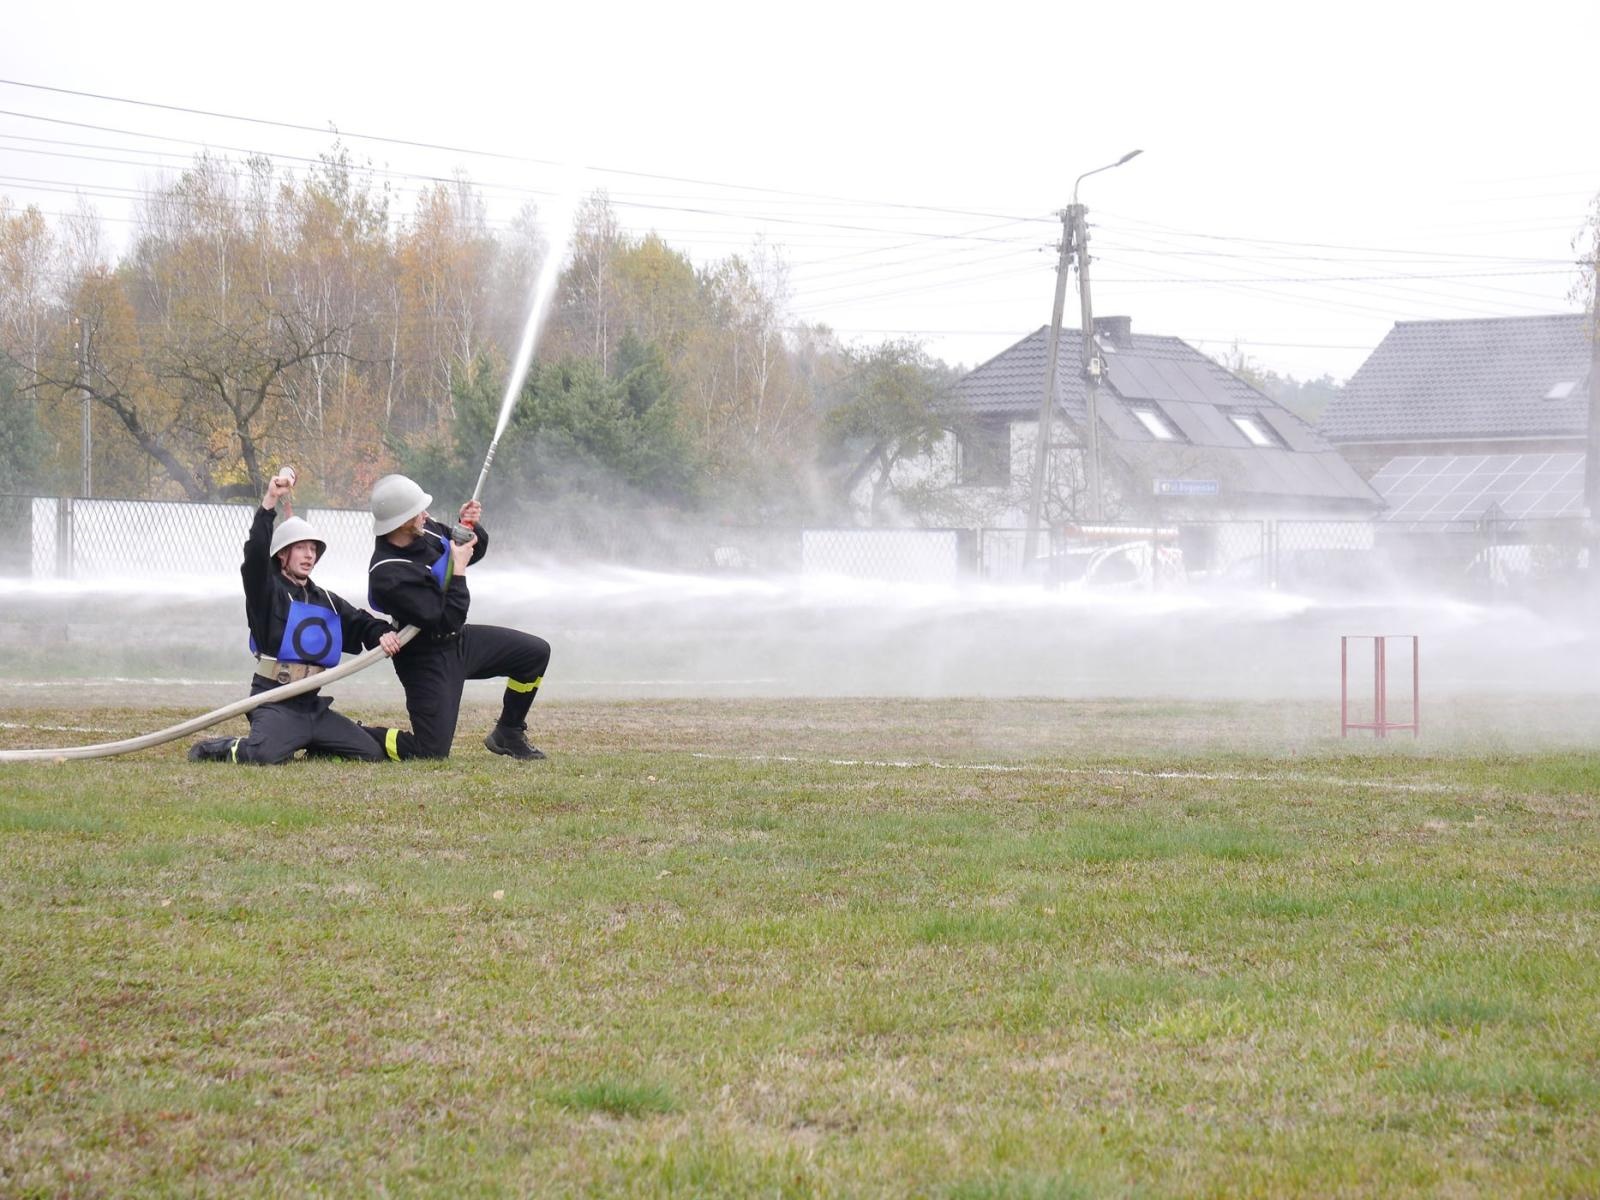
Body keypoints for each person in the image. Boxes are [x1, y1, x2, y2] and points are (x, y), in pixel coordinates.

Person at [189, 467, 402, 764]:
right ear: (282, 555)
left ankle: (315, 741)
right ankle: (222, 748)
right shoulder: (267, 593)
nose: (309, 555)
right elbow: (254, 557)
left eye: (313, 549)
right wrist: (269, 503)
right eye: (300, 548)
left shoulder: (326, 599)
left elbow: (360, 622)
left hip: (311, 705)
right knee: (265, 755)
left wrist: (382, 632)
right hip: (273, 702)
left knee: (370, 753)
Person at [360, 473, 551, 761]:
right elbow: (446, 617)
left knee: (535, 654)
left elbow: (471, 551)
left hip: (458, 642)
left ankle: (509, 732)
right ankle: (356, 734)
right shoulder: (387, 574)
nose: (426, 515)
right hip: (424, 657)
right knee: (431, 752)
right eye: (418, 511)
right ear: (400, 522)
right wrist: (459, 570)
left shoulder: (427, 531)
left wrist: (469, 527)